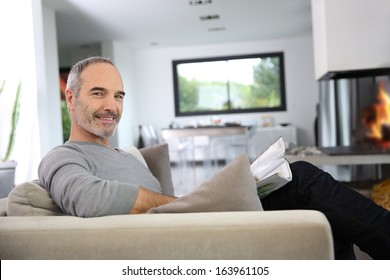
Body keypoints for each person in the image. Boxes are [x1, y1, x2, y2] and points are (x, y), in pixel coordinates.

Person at [38, 56, 390, 260]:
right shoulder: (61, 157)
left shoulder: (122, 154)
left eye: (118, 96)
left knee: (304, 191)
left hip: (189, 220)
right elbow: (89, 199)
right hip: (187, 233)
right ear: (70, 98)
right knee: (303, 178)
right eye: (98, 93)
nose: (112, 106)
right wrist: (186, 204)